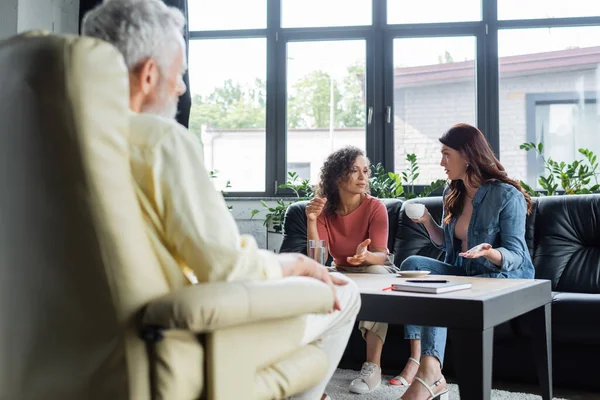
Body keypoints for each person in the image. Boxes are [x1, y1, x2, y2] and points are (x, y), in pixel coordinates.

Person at [81, 1, 360, 399]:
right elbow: (226, 268)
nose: (180, 88)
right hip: (168, 338)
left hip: (80, 346)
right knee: (343, 294)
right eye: (178, 75)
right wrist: (295, 262)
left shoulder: (49, 146)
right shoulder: (159, 142)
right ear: (147, 75)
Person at [397, 123, 535, 400]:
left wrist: (489, 251)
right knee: (413, 264)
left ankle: (429, 374)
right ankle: (428, 368)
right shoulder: (454, 193)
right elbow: (444, 244)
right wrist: (426, 220)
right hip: (464, 273)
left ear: (468, 155)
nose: (441, 162)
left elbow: (517, 254)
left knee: (444, 289)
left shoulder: (506, 195)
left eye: (447, 154)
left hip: (501, 278)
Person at [305, 146, 395, 394]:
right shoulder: (323, 210)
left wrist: (365, 256)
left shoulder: (376, 207)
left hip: (375, 269)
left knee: (376, 279)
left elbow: (381, 254)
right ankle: (310, 366)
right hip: (342, 269)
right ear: (336, 176)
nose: (363, 177)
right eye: (354, 171)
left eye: (365, 171)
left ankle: (373, 366)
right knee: (320, 282)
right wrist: (312, 221)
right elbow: (317, 259)